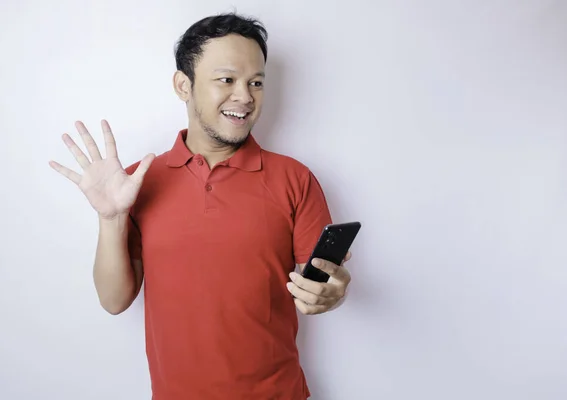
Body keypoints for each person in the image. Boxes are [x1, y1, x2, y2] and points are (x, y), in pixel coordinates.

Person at [49, 12, 353, 400]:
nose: (244, 96)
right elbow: (114, 300)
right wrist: (111, 218)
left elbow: (323, 282)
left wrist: (333, 293)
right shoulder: (137, 181)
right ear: (183, 85)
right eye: (226, 79)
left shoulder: (295, 178)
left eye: (256, 82)